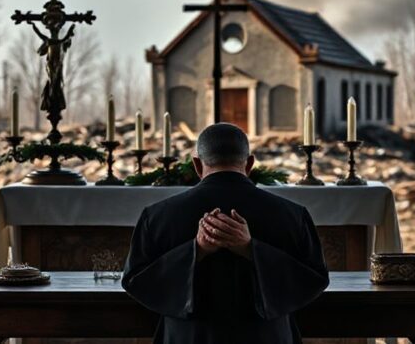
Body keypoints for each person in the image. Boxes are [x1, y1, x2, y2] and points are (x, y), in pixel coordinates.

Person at [122, 123, 329, 344]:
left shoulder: (157, 216)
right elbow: (314, 279)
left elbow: (136, 280)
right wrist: (252, 250)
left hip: (188, 337)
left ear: (197, 165)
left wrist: (195, 252)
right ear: (249, 164)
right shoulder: (292, 215)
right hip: (266, 337)